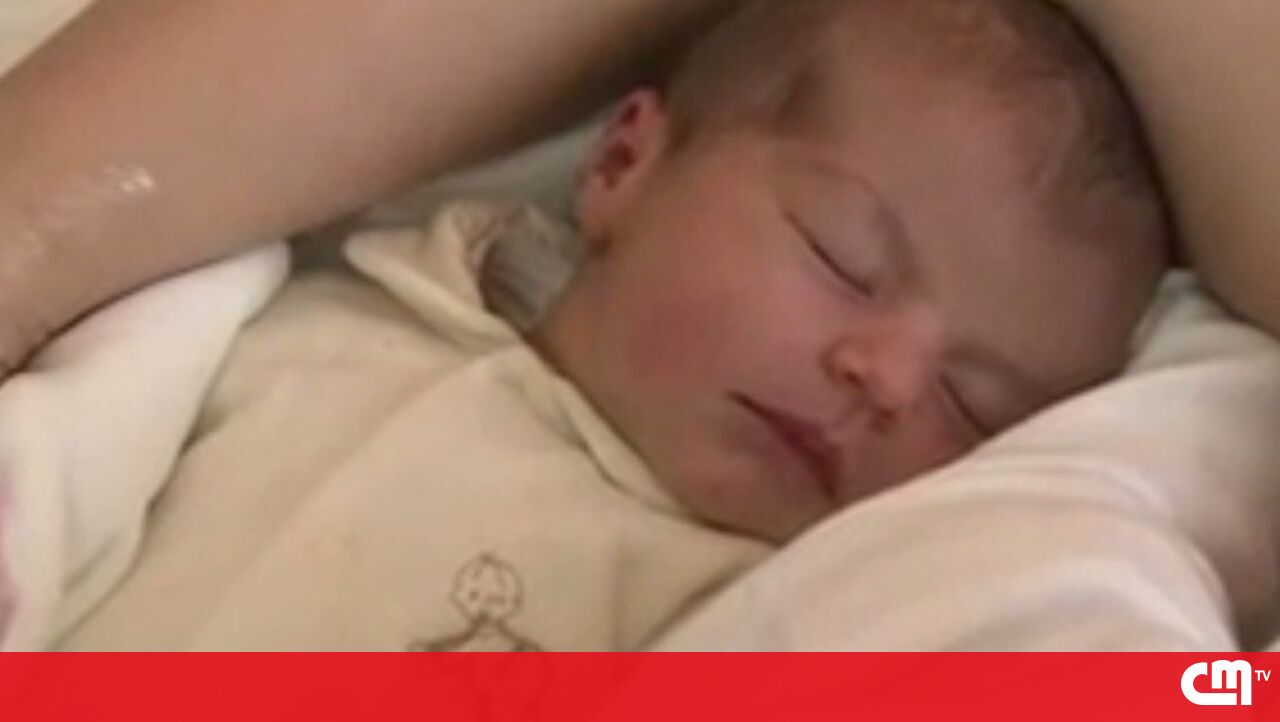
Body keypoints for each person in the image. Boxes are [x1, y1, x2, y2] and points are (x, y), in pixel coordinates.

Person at [53, 0, 1162, 650]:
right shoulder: (313, 303)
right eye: (843, 257)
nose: (889, 379)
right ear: (623, 161)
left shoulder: (749, 614)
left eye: (973, 405)